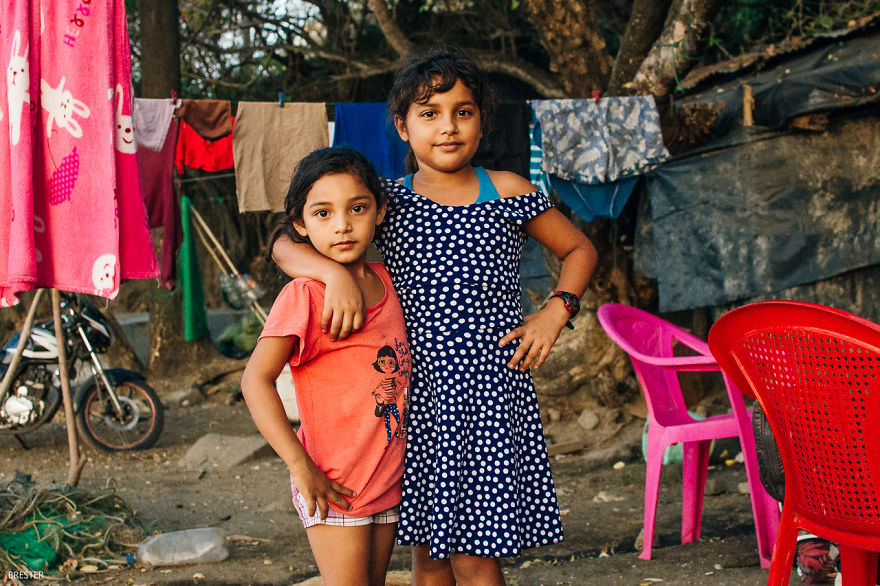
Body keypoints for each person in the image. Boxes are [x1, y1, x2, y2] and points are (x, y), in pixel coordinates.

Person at [272, 46, 598, 585]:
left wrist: (555, 312)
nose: (447, 127)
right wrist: (332, 276)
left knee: (475, 558)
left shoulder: (510, 191)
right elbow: (284, 242)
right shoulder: (387, 201)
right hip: (414, 405)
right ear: (402, 126)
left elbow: (580, 250)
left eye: (462, 112)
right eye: (429, 114)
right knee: (429, 557)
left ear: (481, 120)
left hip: (490, 399)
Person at [241, 146, 410, 586]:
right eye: (322, 213)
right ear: (300, 224)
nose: (342, 225)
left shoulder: (389, 282)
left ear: (379, 210)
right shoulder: (305, 295)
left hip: (388, 478)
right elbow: (255, 381)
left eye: (357, 208)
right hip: (333, 484)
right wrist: (299, 465)